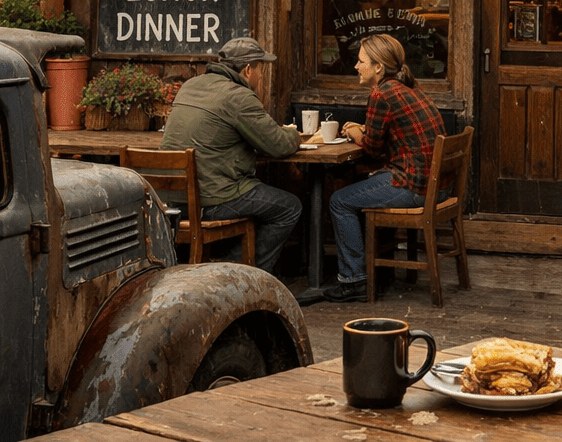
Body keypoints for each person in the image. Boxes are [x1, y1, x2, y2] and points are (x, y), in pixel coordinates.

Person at [161, 36, 302, 275]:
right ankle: (242, 274)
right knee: (289, 207)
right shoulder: (239, 96)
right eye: (261, 69)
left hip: (173, 198)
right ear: (248, 69)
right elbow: (278, 145)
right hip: (212, 200)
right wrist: (293, 134)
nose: (261, 76)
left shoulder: (191, 85)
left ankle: (223, 266)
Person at [325, 33, 445, 302]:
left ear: (378, 67)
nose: (356, 66)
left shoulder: (382, 93)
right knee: (365, 181)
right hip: (433, 185)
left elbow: (371, 148)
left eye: (361, 61)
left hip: (412, 186)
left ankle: (354, 280)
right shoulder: (409, 88)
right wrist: (364, 131)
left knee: (339, 201)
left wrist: (355, 131)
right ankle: (376, 270)